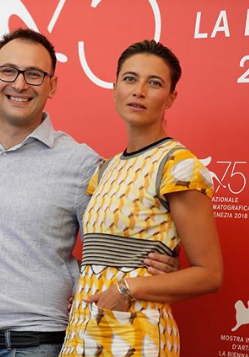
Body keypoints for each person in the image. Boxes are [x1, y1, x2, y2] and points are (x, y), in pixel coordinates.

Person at [0, 29, 177, 357]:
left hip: (35, 346)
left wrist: (155, 264)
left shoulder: (82, 163)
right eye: (8, 71)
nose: (19, 84)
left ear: (52, 85)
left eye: (34, 74)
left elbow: (115, 234)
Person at [59, 40, 223, 357]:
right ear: (115, 87)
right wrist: (87, 290)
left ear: (171, 97)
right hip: (83, 329)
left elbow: (210, 274)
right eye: (130, 79)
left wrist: (129, 288)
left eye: (155, 83)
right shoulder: (105, 170)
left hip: (137, 335)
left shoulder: (178, 165)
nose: (139, 91)